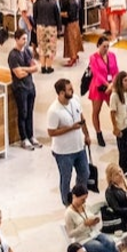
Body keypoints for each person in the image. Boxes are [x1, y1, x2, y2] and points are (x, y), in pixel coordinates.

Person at [45, 77, 94, 209]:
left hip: (79, 147)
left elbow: (81, 119)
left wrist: (86, 134)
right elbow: (51, 132)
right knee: (66, 178)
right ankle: (67, 203)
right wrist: (71, 128)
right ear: (61, 93)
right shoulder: (54, 111)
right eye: (69, 89)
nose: (73, 91)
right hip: (63, 152)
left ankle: (79, 198)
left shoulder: (75, 100)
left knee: (85, 173)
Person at [6, 28, 39, 152]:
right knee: (23, 113)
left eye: (26, 38)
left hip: (30, 86)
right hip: (20, 88)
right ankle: (23, 137)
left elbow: (36, 67)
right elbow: (18, 74)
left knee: (30, 112)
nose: (25, 41)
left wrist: (25, 69)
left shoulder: (28, 51)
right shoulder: (13, 56)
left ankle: (31, 135)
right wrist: (29, 70)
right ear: (16, 39)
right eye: (23, 39)